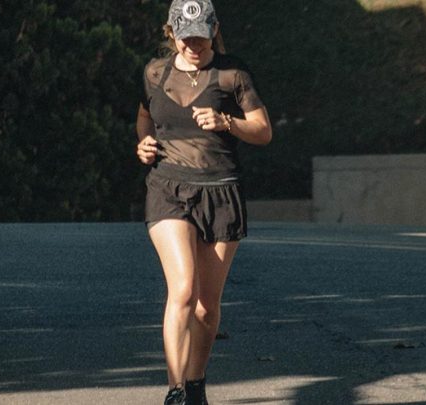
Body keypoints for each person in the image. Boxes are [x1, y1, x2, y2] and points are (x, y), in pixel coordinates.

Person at [135, 0, 272, 403]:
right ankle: (175, 390)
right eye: (185, 36)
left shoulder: (232, 74)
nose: (193, 44)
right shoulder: (155, 72)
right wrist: (142, 144)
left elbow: (263, 131)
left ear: (214, 30)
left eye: (200, 35)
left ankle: (195, 384)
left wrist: (227, 121)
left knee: (206, 308)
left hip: (221, 190)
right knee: (183, 290)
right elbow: (144, 116)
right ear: (171, 33)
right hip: (169, 188)